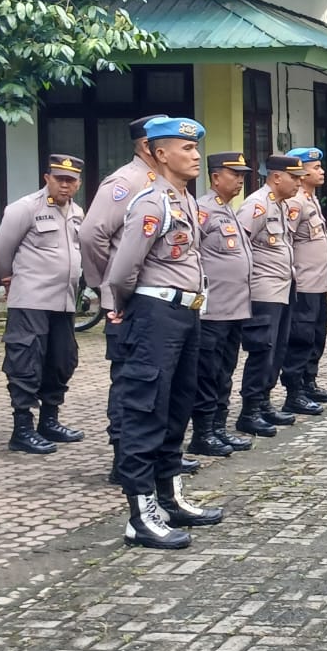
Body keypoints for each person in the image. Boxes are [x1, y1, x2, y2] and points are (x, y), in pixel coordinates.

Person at [102, 117, 223, 549]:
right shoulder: (152, 203)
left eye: (195, 148)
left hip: (186, 315)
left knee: (177, 405)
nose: (194, 156)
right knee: (145, 408)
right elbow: (121, 269)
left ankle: (169, 496)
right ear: (158, 154)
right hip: (154, 314)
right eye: (185, 149)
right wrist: (117, 306)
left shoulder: (184, 201)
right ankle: (140, 513)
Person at [79, 114, 202, 481]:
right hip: (141, 303)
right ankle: (128, 465)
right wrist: (112, 294)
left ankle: (163, 474)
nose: (195, 155)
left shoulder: (178, 193)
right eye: (187, 147)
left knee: (169, 395)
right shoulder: (127, 183)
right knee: (137, 389)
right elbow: (93, 237)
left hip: (171, 305)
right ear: (152, 147)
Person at [0, 154, 87, 454]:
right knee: (26, 361)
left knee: (61, 360)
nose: (65, 185)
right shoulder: (25, 208)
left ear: (79, 183)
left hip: (64, 302)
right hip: (31, 299)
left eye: (71, 180)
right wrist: (8, 279)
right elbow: (0, 251)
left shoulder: (77, 212)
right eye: (59, 179)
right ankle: (22, 429)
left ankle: (49, 421)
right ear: (47, 178)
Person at [189, 152, 257, 458]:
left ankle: (218, 427)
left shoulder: (229, 211)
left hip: (235, 309)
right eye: (234, 174)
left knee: (224, 371)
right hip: (212, 310)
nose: (240, 180)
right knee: (207, 372)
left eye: (242, 175)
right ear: (216, 177)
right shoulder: (201, 211)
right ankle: (203, 433)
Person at [234, 155, 306, 436]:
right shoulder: (257, 205)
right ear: (276, 177)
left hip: (282, 288)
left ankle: (263, 402)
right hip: (263, 291)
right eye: (294, 178)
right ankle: (249, 410)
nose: (299, 183)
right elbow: (239, 247)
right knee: (262, 350)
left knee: (277, 349)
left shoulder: (281, 205)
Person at [281, 146, 327, 413]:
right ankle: (294, 392)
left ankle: (309, 382)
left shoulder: (311, 199)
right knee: (301, 337)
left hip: (318, 284)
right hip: (303, 284)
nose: (322, 171)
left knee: (317, 336)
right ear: (301, 172)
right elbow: (285, 241)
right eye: (316, 167)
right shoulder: (295, 203)